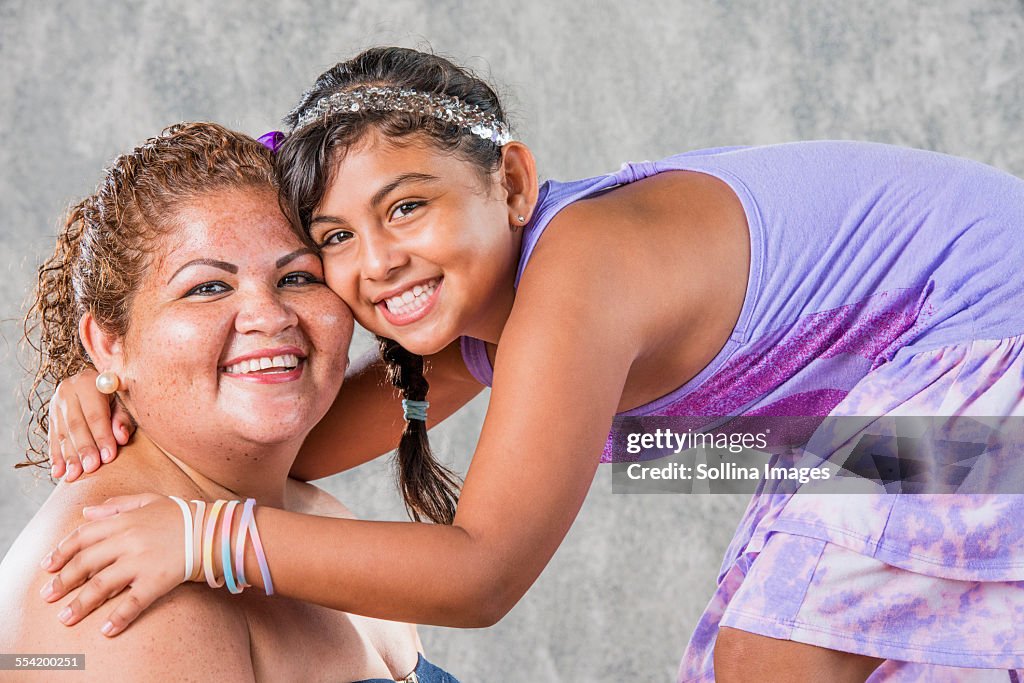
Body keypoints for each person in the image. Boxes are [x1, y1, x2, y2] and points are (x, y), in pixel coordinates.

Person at [42, 47, 1024, 681]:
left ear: (511, 181)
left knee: (773, 654)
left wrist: (203, 538)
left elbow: (482, 574)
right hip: (837, 411)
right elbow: (300, 441)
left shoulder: (581, 269)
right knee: (847, 647)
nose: (376, 261)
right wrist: (115, 383)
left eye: (406, 206)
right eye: (333, 237)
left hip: (987, 335)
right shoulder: (484, 323)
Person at [1, 121, 458, 683]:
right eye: (207, 287)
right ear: (107, 344)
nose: (270, 315)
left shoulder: (305, 511)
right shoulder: (116, 594)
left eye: (298, 277)